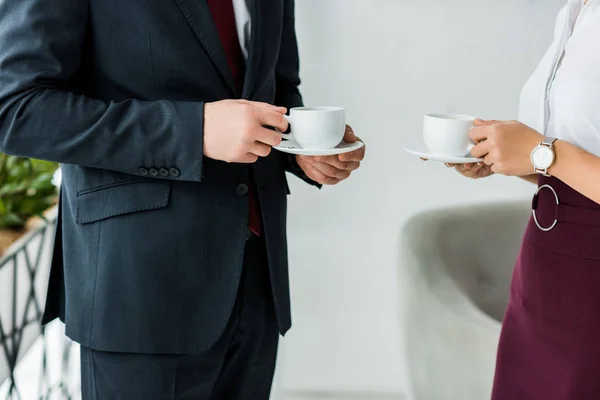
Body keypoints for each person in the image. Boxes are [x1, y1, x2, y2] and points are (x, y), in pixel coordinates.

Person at [0, 0, 365, 398]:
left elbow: (276, 88)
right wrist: (193, 131)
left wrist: (303, 149)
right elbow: (16, 108)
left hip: (257, 284)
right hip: (139, 289)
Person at [447, 0, 600, 398]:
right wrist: (509, 158)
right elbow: (573, 166)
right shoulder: (573, 12)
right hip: (543, 270)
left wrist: (540, 151)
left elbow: (555, 153)